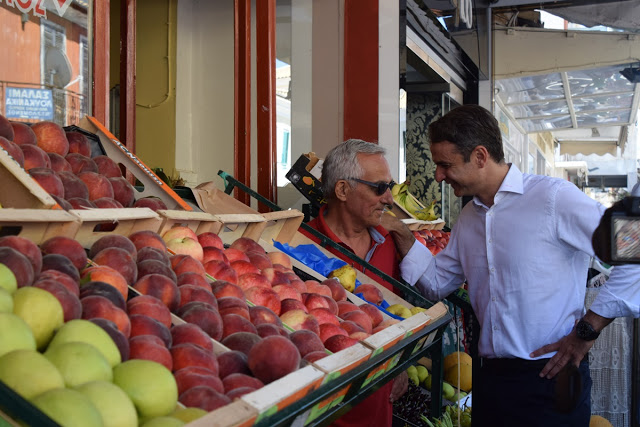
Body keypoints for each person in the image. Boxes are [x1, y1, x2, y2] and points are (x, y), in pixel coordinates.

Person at [381, 104, 640, 426]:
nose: (438, 176)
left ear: (479, 156)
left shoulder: (553, 198)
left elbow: (634, 250)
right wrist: (402, 234)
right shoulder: (468, 219)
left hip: (551, 379)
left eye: (445, 165)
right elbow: (436, 283)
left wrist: (589, 328)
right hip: (491, 381)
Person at [299, 139, 407, 427]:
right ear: (343, 190)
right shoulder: (300, 245)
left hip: (378, 407)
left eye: (391, 187)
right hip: (324, 409)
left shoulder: (389, 244)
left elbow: (393, 315)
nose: (389, 199)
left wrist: (401, 361)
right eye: (379, 188)